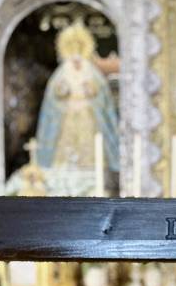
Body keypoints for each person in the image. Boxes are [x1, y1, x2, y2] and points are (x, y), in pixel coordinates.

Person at [35, 20, 120, 194]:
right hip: (67, 117)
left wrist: (90, 90)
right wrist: (63, 90)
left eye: (78, 50)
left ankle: (91, 178)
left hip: (88, 117)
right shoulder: (62, 71)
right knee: (65, 147)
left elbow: (99, 93)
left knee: (91, 147)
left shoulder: (90, 70)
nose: (75, 59)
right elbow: (56, 93)